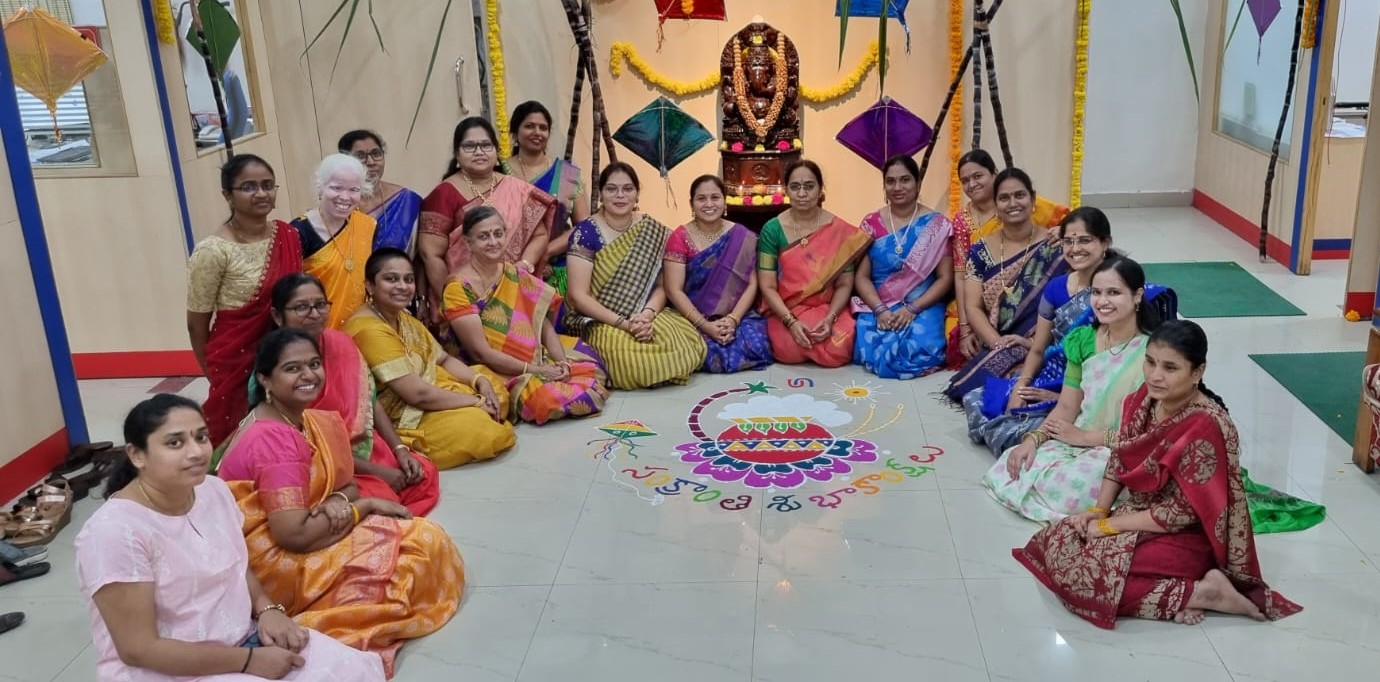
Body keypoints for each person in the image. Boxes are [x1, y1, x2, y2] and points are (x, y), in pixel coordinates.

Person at [1013, 320, 1302, 629]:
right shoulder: (1143, 399)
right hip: (1140, 515)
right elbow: (1120, 457)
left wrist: (1110, 525)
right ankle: (1190, 593)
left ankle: (1205, 592)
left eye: (1170, 368)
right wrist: (1099, 511)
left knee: (1088, 575)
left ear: (1197, 372)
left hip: (1188, 536)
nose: (1155, 375)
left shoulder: (1207, 426)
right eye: (1150, 362)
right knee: (1055, 539)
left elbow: (1181, 513)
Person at [76, 394, 385, 681]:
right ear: (137, 455)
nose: (196, 452)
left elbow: (236, 564)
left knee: (354, 670)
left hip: (242, 638)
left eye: (200, 437)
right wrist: (248, 661)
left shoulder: (212, 490)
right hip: (172, 670)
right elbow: (138, 649)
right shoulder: (115, 533)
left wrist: (267, 611)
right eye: (175, 443)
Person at [218, 330, 463, 676]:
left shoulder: (301, 420)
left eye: (314, 364)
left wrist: (337, 500)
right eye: (292, 368)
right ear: (265, 379)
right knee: (420, 549)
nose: (308, 375)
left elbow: (346, 484)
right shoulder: (275, 440)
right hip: (272, 563)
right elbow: (294, 535)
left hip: (305, 526)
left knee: (418, 537)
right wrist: (363, 508)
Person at [964, 207, 1177, 455]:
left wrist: (1059, 397)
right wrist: (1024, 385)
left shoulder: (1126, 284)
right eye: (1068, 241)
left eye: (1085, 240)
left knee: (1030, 430)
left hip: (1097, 395)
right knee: (980, 400)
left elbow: (1126, 366)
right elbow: (1040, 349)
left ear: (1105, 242)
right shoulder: (1057, 288)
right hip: (1063, 376)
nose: (1075, 249)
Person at [982, 257, 1161, 522]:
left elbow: (1153, 431)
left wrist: (1086, 438)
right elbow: (1067, 406)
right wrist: (1034, 440)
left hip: (1123, 446)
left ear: (1137, 296)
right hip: (1075, 436)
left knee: (1085, 478)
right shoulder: (1084, 339)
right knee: (1019, 460)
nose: (1102, 301)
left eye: (1114, 292)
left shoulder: (1154, 352)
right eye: (1097, 292)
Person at [266, 273, 440, 516]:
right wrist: (374, 471)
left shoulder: (341, 343)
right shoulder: (273, 363)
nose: (314, 314)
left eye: (320, 305)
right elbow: (304, 443)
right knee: (380, 496)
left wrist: (399, 449)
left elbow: (370, 400)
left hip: (361, 447)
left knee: (421, 473)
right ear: (277, 315)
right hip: (319, 464)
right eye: (301, 307)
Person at [343, 248, 516, 468]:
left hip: (426, 389)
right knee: (484, 430)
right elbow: (417, 395)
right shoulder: (368, 329)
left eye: (408, 279)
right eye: (391, 279)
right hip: (402, 413)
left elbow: (442, 359)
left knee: (494, 387)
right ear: (370, 286)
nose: (402, 286)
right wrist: (476, 401)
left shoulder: (400, 316)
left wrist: (478, 382)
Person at [443, 206, 609, 423]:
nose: (493, 242)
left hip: (534, 356)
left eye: (498, 234)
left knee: (592, 365)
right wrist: (537, 370)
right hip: (495, 368)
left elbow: (542, 324)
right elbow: (480, 352)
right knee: (547, 402)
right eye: (483, 236)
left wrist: (561, 364)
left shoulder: (512, 273)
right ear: (468, 242)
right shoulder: (458, 288)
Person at [188, 154, 303, 446]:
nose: (262, 193)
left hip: (285, 351)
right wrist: (213, 373)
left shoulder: (287, 234)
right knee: (235, 436)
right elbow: (196, 323)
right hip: (233, 357)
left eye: (267, 185)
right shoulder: (213, 250)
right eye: (249, 187)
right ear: (228, 195)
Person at [565, 162, 707, 389]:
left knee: (682, 340)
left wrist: (647, 316)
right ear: (601, 193)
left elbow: (663, 286)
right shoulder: (586, 232)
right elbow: (578, 296)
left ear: (637, 193)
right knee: (627, 357)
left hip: (643, 312)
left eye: (627, 189)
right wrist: (624, 324)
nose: (620, 195)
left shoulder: (652, 229)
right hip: (602, 319)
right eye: (611, 189)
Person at [943, 168, 1069, 402]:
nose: (1013, 203)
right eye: (1004, 198)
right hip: (998, 337)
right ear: (996, 205)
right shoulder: (980, 250)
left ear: (1033, 200)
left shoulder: (1056, 243)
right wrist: (998, 344)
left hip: (1047, 339)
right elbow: (973, 306)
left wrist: (1068, 233)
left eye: (1019, 195)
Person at [418, 117, 557, 319]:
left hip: (514, 291)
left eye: (485, 145)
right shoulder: (445, 193)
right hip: (466, 297)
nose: (479, 151)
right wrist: (455, 304)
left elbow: (540, 236)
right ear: (457, 154)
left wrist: (524, 266)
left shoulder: (515, 187)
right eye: (470, 146)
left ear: (496, 152)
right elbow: (430, 255)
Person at [757, 159, 871, 367]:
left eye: (809, 186)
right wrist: (790, 322)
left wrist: (831, 318)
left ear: (820, 190)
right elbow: (767, 286)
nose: (802, 194)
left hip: (827, 307)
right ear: (786, 190)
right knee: (787, 350)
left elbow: (845, 284)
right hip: (787, 309)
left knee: (841, 347)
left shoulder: (839, 231)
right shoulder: (772, 230)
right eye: (795, 187)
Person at [851, 155, 954, 379]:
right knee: (868, 340)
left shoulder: (938, 225)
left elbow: (945, 278)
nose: (897, 187)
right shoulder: (871, 223)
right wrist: (880, 310)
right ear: (884, 186)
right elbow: (861, 277)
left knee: (923, 347)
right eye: (891, 181)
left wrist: (912, 309)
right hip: (879, 304)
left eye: (905, 180)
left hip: (923, 304)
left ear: (918, 184)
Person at [663, 175, 773, 373]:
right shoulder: (679, 237)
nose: (709, 204)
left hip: (734, 314)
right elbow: (673, 290)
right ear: (692, 203)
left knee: (757, 345)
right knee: (681, 348)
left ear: (724, 201)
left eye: (715, 197)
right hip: (690, 316)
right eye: (701, 199)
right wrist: (705, 325)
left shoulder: (742, 235)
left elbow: (751, 284)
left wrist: (733, 320)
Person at [501, 101, 589, 295]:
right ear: (515, 132)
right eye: (529, 126)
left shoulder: (567, 174)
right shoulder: (498, 171)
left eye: (543, 128)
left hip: (556, 267)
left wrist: (546, 251)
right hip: (507, 266)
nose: (537, 132)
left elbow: (582, 227)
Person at [290, 154, 379, 329]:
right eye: (336, 188)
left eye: (354, 190)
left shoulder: (367, 226)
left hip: (360, 327)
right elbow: (290, 292)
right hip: (315, 331)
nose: (345, 197)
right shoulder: (298, 232)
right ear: (320, 188)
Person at [340, 129, 422, 256]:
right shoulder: (337, 203)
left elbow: (419, 256)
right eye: (360, 156)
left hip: (396, 274)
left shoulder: (407, 200)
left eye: (376, 154)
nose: (371, 162)